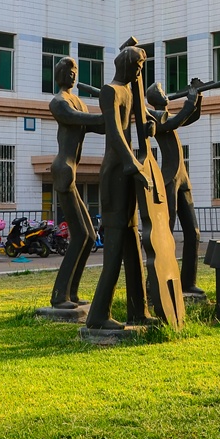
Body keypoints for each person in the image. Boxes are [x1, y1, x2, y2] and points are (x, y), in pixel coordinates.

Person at [86, 45, 157, 330]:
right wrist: (132, 164)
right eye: (137, 67)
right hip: (116, 171)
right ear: (125, 64)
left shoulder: (130, 92)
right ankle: (98, 314)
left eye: (142, 68)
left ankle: (138, 310)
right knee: (115, 248)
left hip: (128, 170)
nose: (139, 73)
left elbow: (138, 123)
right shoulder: (110, 91)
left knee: (132, 245)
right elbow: (115, 132)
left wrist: (149, 127)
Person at [48, 57, 104, 309]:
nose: (72, 75)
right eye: (67, 71)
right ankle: (60, 296)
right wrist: (109, 112)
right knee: (80, 234)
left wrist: (118, 109)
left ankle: (71, 293)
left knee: (89, 236)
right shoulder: (59, 102)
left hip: (72, 172)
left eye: (75, 71)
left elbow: (101, 126)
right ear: (59, 74)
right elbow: (86, 120)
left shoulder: (78, 101)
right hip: (63, 169)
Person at [146, 80, 204, 296]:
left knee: (194, 232)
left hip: (183, 178)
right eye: (162, 92)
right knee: (166, 232)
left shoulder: (167, 115)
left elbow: (192, 117)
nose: (166, 95)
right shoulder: (155, 116)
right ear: (156, 98)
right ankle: (155, 281)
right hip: (169, 178)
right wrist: (190, 100)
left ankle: (188, 282)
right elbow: (177, 121)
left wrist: (198, 96)